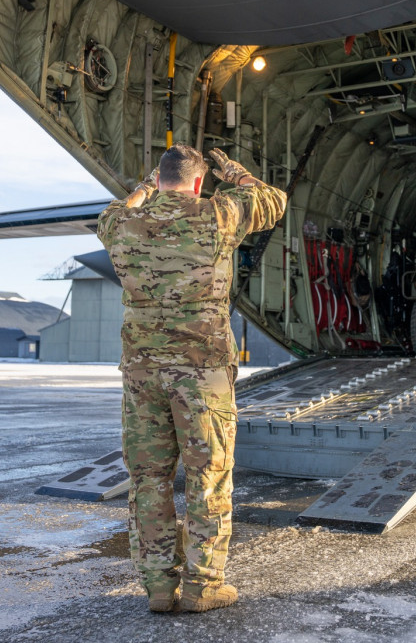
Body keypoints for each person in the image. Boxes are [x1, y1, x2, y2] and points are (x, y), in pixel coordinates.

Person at [97, 144, 286, 613]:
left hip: (143, 377)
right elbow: (273, 201)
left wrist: (144, 188)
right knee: (208, 477)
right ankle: (204, 585)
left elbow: (119, 209)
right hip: (202, 377)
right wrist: (235, 171)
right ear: (200, 183)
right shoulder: (217, 214)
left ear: (159, 180)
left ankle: (159, 588)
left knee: (148, 480)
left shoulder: (120, 224)